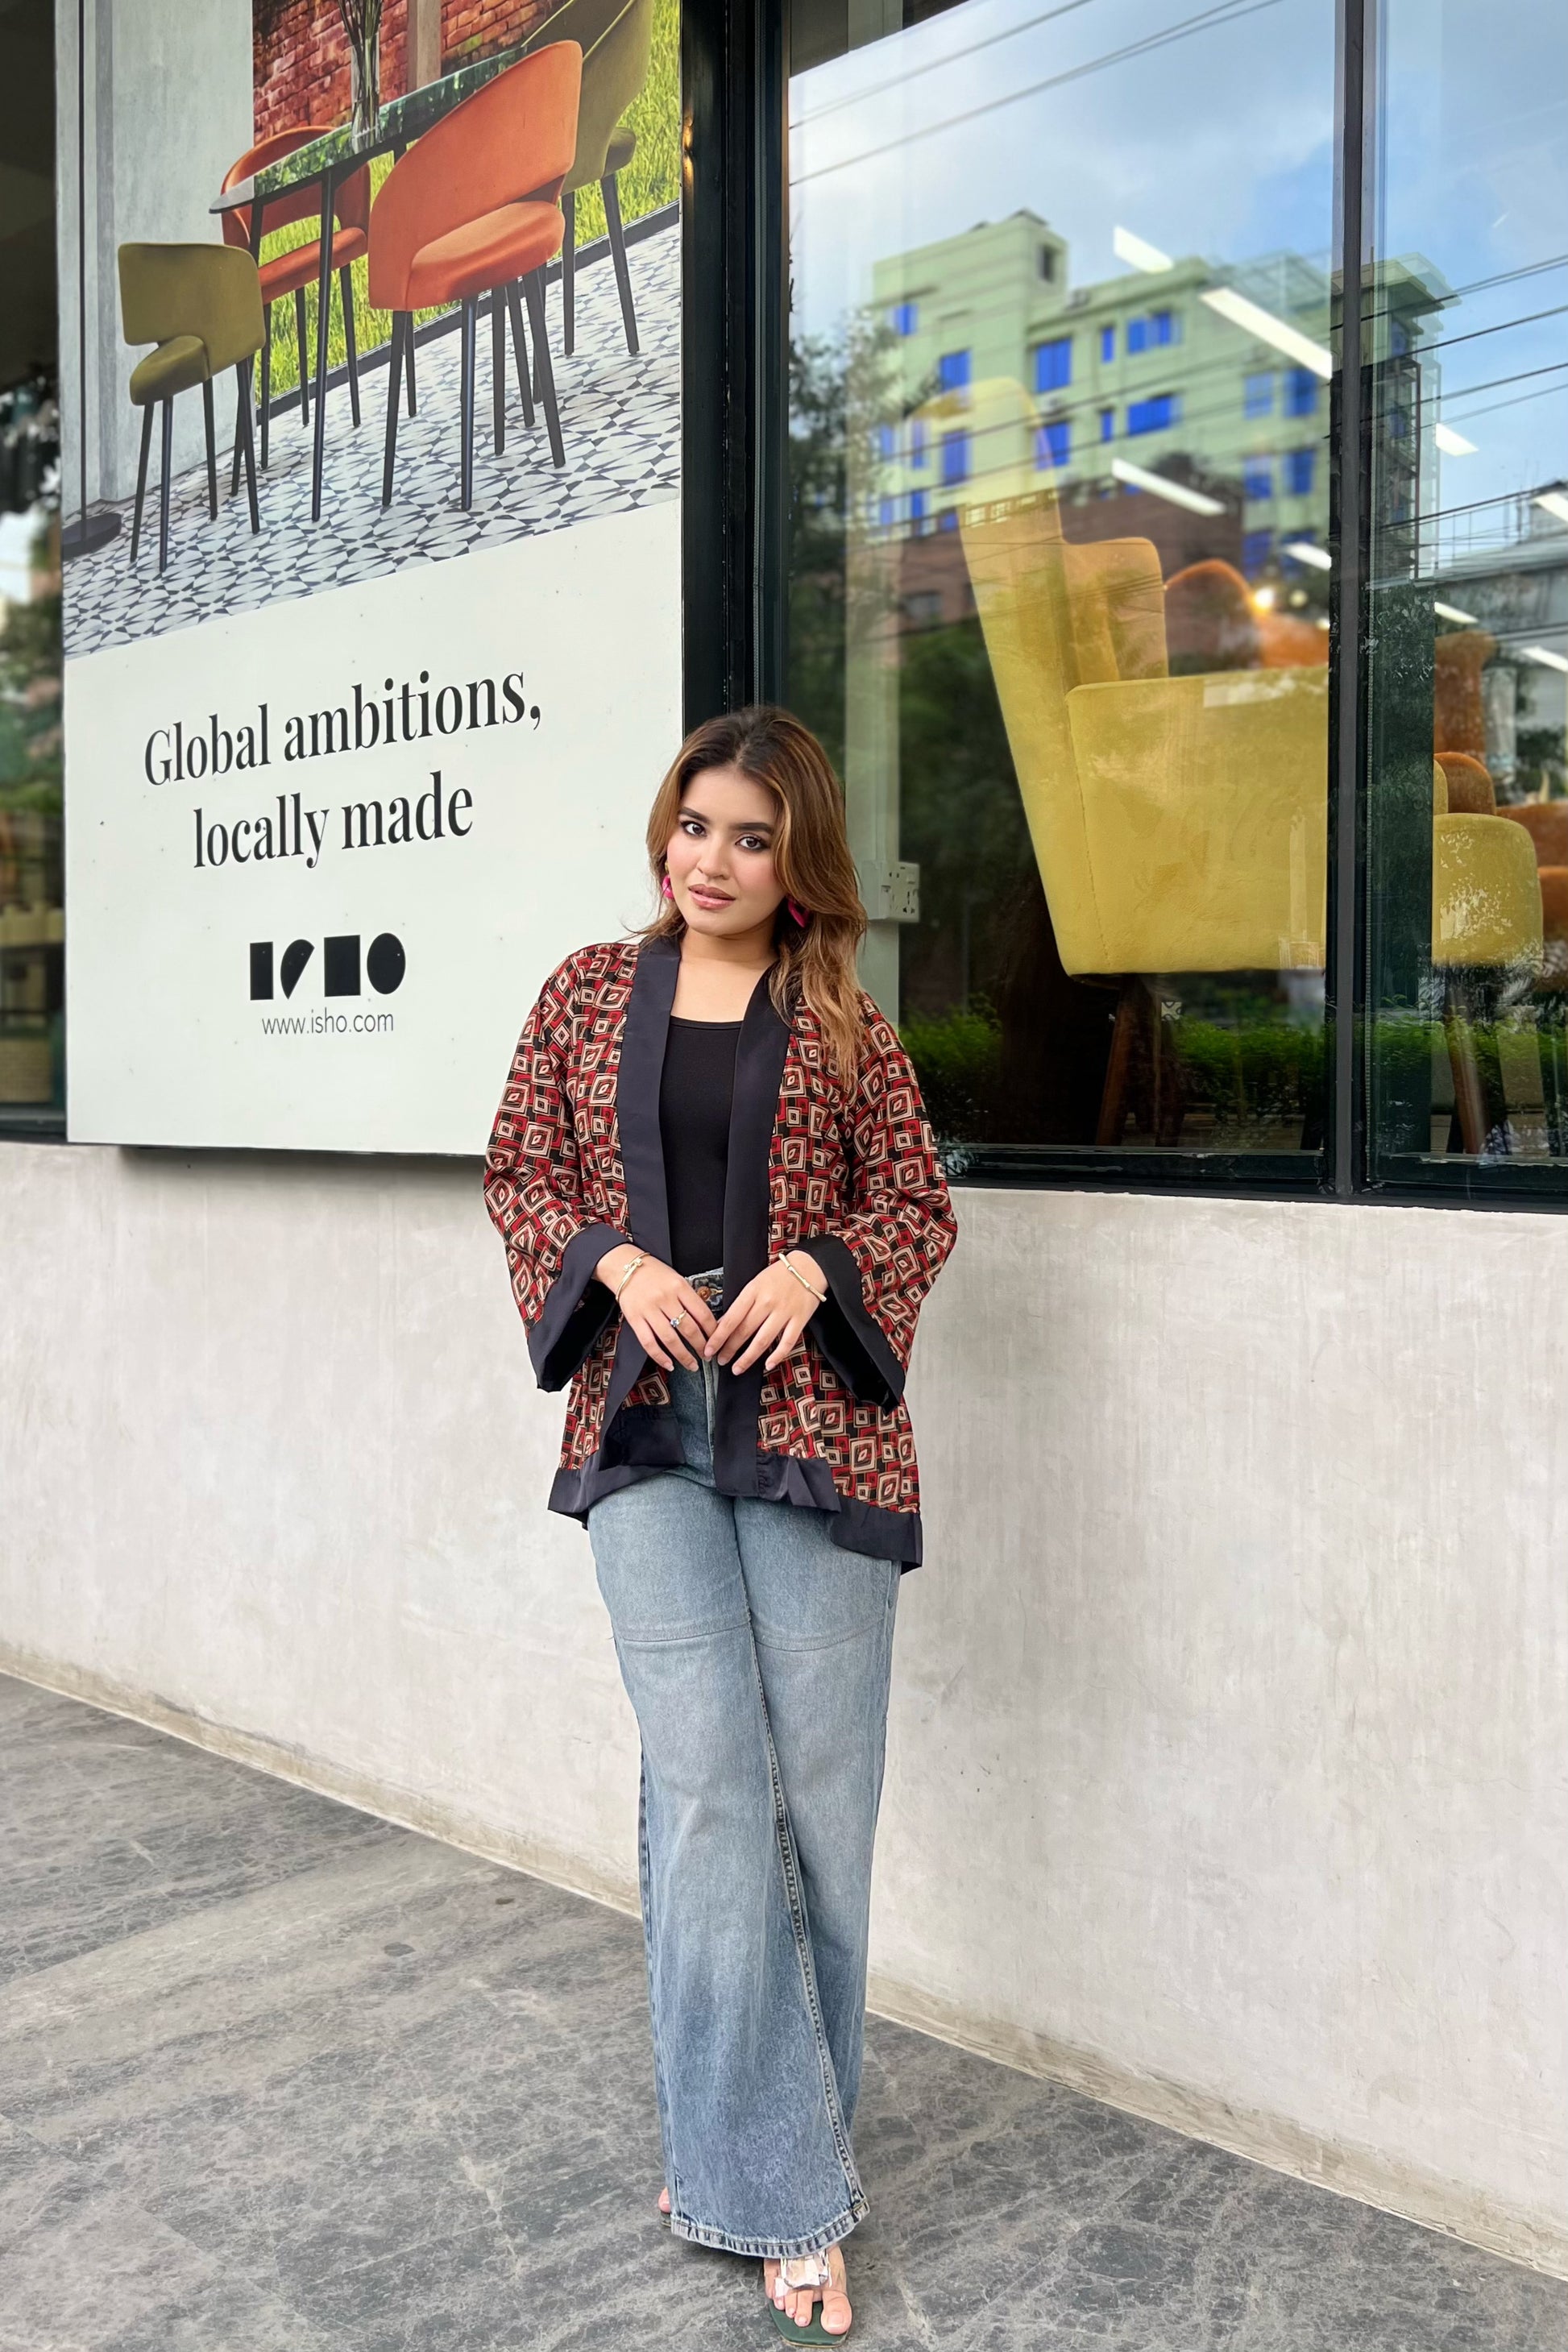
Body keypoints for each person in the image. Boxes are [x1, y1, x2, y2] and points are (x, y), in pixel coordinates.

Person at [483, 706, 955, 2341]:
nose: (714, 859)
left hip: (815, 1433)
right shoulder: (582, 992)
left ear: (798, 854)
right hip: (643, 1426)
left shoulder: (841, 1016)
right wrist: (611, 1263)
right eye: (696, 824)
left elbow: (915, 1201)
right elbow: (518, 1173)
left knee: (819, 1806)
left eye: (751, 835)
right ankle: (778, 2191)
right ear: (663, 829)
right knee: (707, 1787)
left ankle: (751, 2147)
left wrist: (814, 1269)